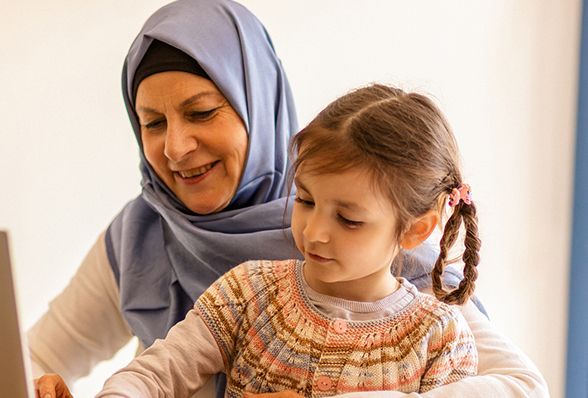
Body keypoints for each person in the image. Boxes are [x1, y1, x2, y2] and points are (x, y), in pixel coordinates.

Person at [31, 1, 548, 397]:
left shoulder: (395, 253)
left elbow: (520, 385)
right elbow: (48, 356)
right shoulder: (149, 237)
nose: (175, 147)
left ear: (258, 105)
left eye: (203, 113)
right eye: (152, 123)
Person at [95, 83, 480, 397]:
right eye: (306, 200)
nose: (313, 232)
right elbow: (154, 374)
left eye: (348, 219)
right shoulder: (248, 291)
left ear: (416, 229)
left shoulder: (440, 338)